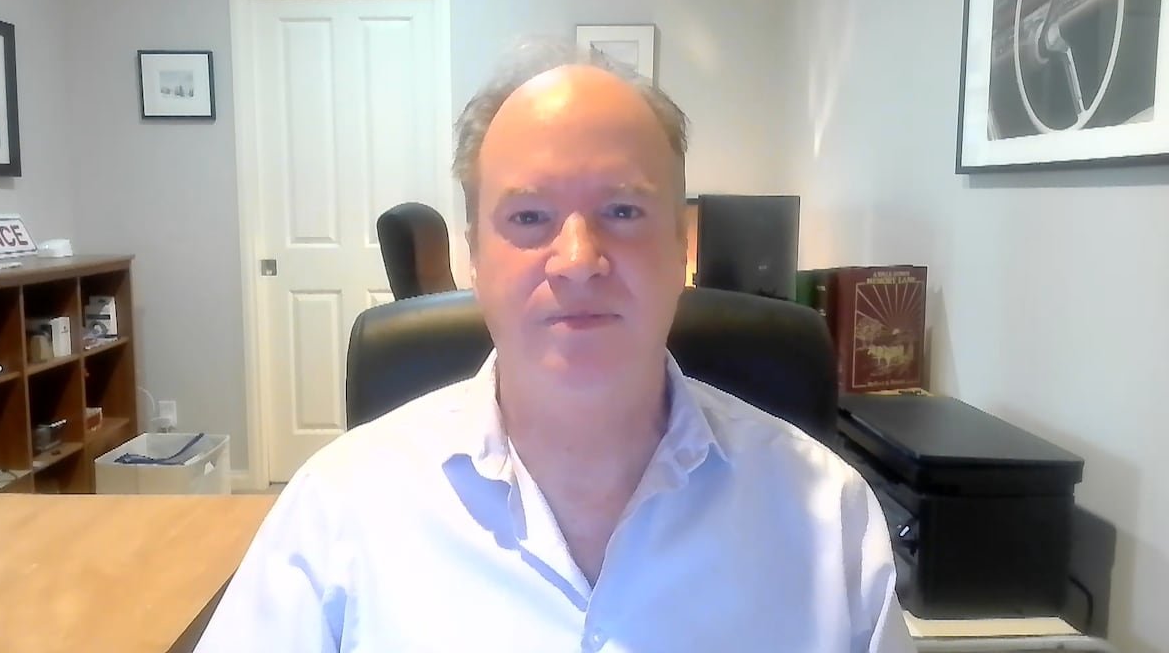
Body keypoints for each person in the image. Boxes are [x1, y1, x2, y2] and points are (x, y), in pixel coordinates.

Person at [194, 41, 916, 652]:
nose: (577, 258)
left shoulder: (830, 520)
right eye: (530, 215)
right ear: (476, 258)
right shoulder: (338, 512)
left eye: (623, 210)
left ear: (678, 249)